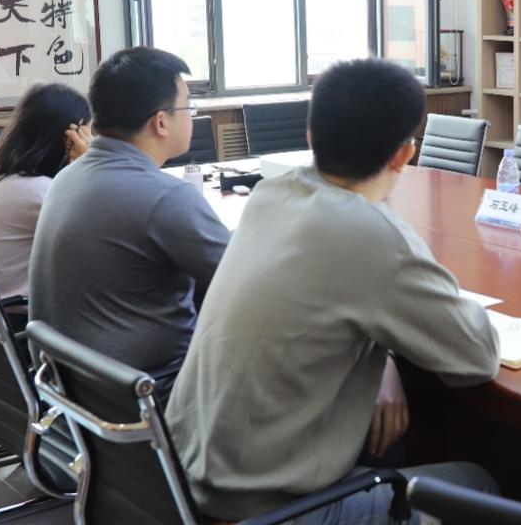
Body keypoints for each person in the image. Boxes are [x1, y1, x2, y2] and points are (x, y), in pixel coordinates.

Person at [167, 58, 501, 523]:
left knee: (390, 444)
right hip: (261, 509)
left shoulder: (270, 195)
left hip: (178, 476)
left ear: (310, 137)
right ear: (404, 155)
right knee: (476, 482)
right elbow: (477, 355)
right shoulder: (374, 235)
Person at [28, 48, 229, 394]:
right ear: (161, 122)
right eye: (188, 107)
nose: (192, 116)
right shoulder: (166, 196)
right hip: (147, 389)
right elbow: (245, 279)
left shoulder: (67, 177)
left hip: (67, 385)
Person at [0, 83, 92, 298]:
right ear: (70, 138)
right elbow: (100, 235)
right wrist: (89, 163)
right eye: (88, 133)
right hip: (9, 313)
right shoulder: (38, 192)